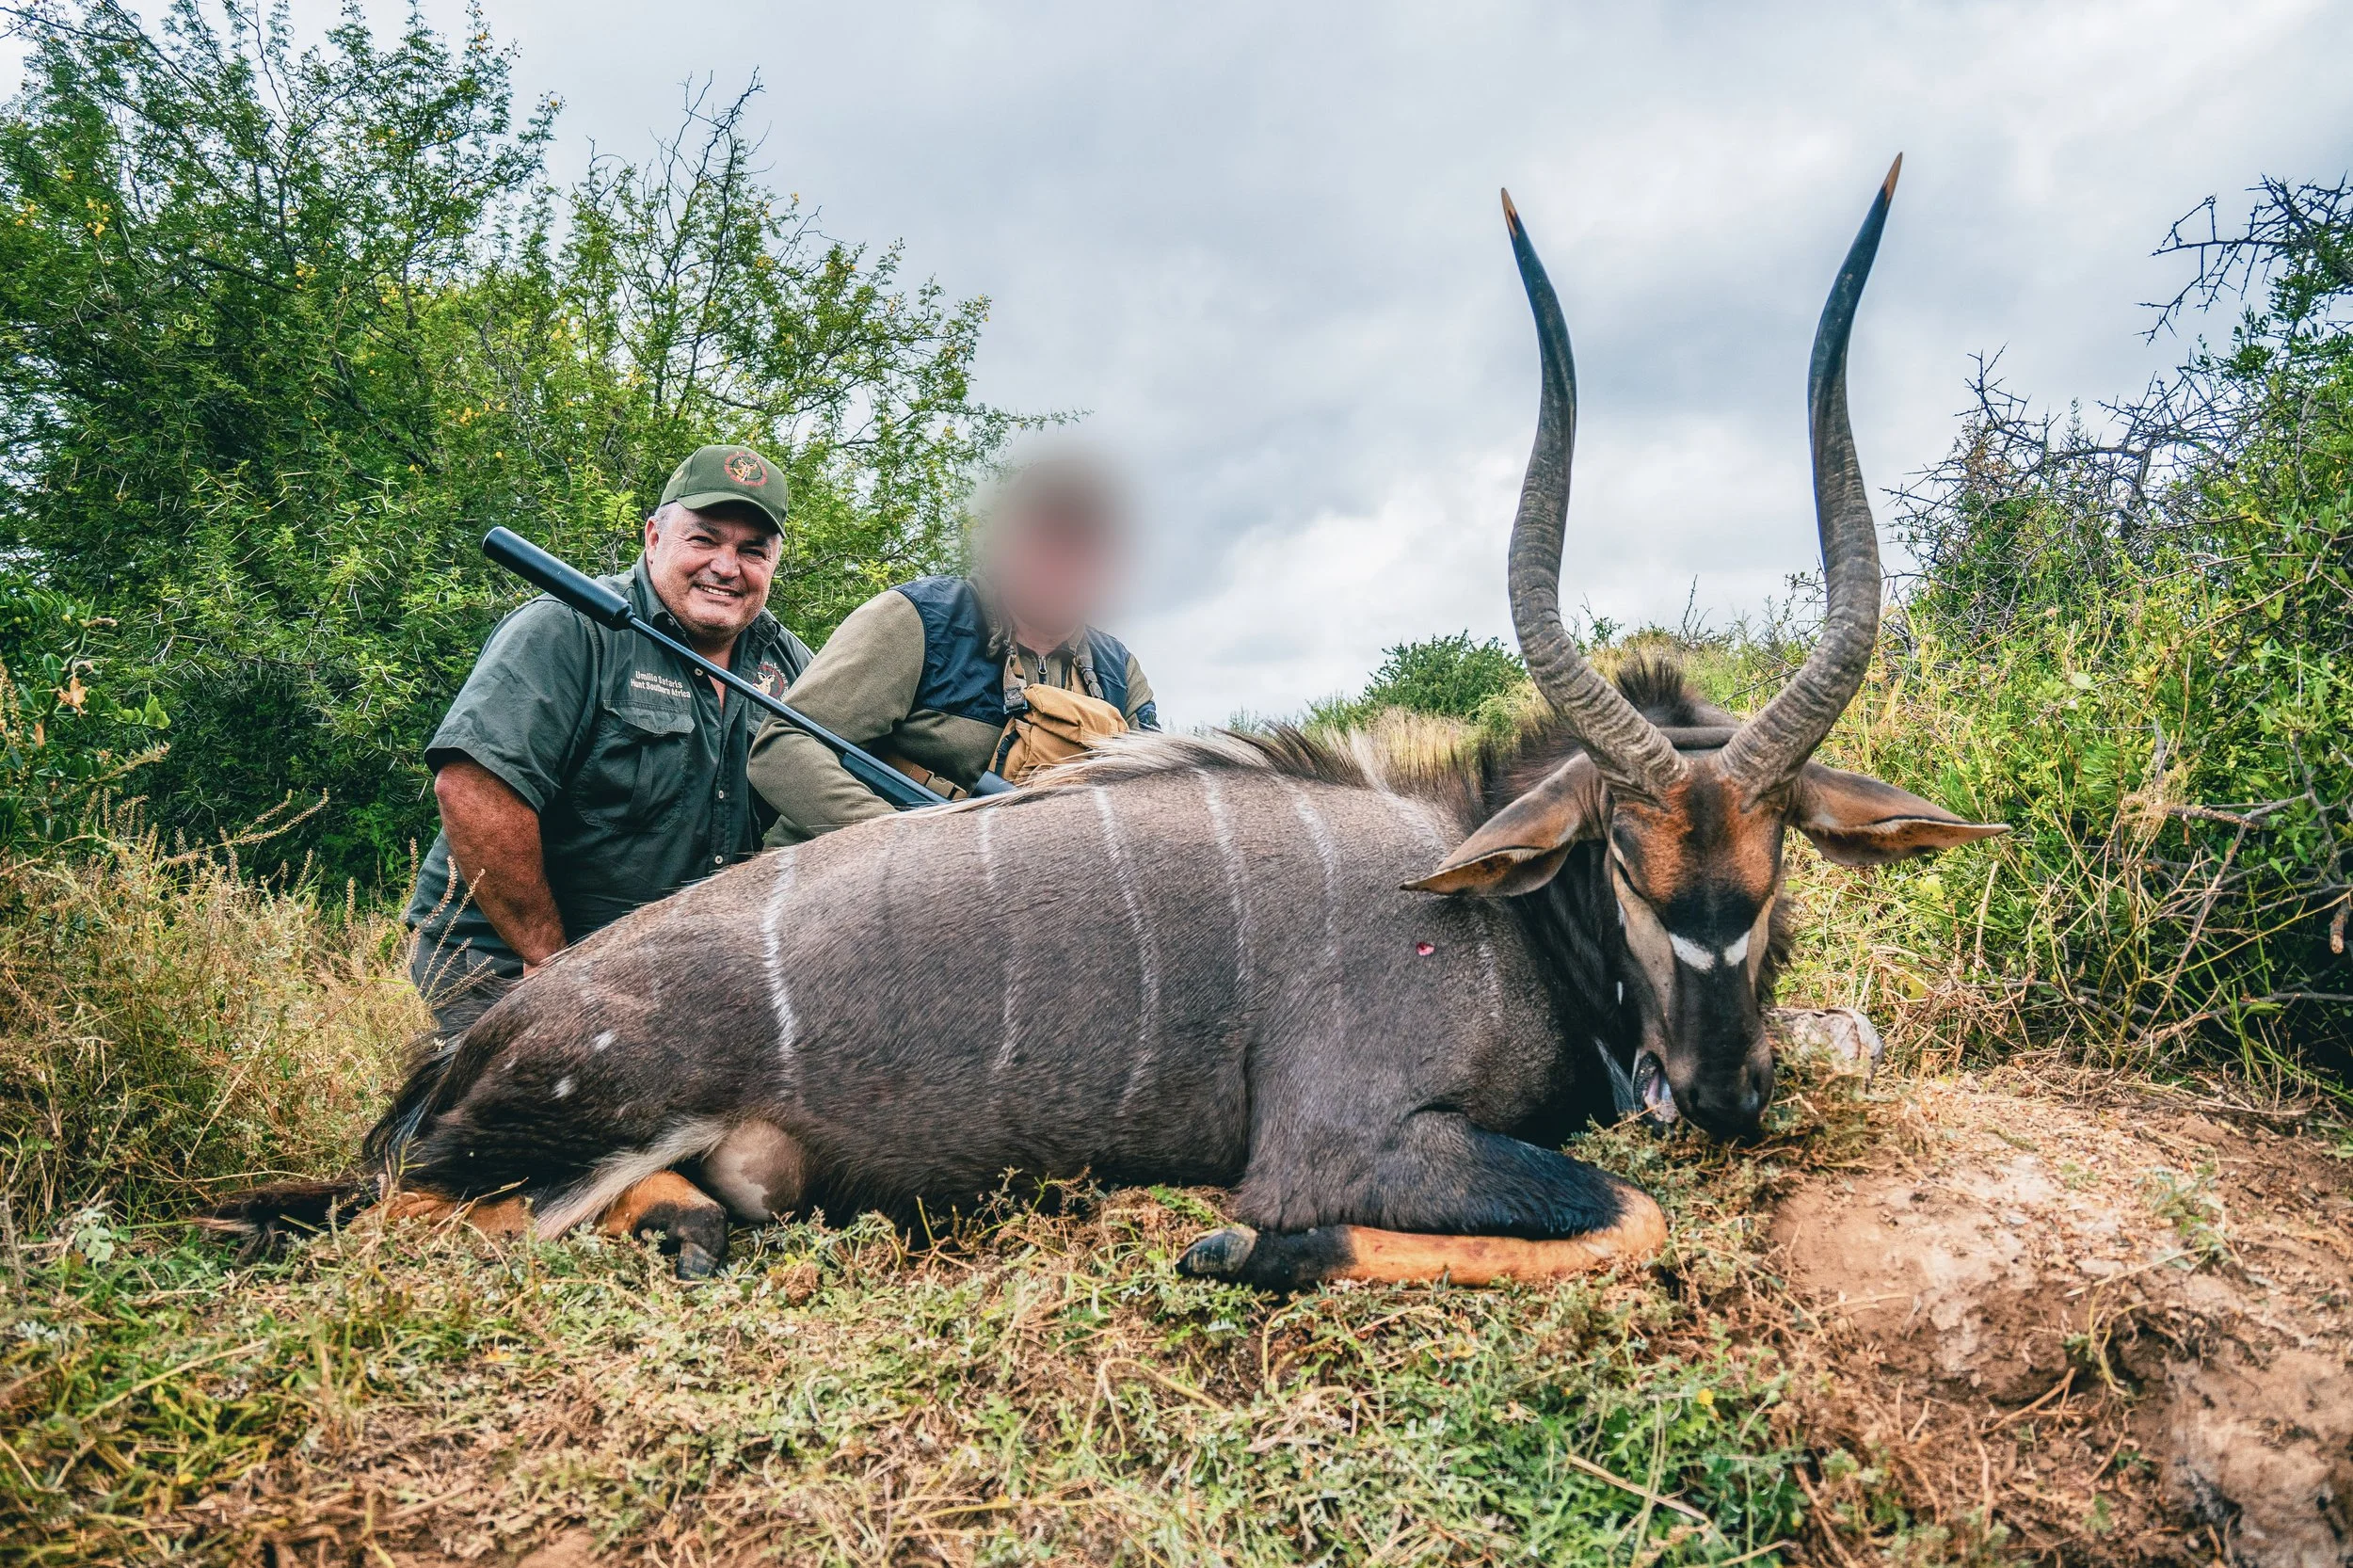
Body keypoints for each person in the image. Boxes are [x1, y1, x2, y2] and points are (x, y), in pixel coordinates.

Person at [405, 444, 813, 1034]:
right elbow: (474, 787)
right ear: (653, 538)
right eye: (703, 540)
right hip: (513, 965)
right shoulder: (571, 628)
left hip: (666, 983)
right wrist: (550, 964)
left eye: (753, 551)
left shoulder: (790, 666)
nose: (727, 566)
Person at [748, 454, 1157, 841]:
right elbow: (782, 748)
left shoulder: (1119, 672)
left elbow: (1152, 805)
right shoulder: (918, 620)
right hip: (844, 891)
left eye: (1083, 546)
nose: (1064, 562)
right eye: (1047, 539)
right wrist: (909, 851)